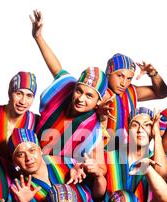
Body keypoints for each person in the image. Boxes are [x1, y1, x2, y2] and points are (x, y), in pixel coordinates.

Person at [30, 10, 108, 162]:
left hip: (61, 173)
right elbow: (56, 68)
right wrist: (38, 36)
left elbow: (98, 167)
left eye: (89, 96)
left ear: (98, 101)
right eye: (79, 91)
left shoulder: (93, 129)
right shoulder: (65, 89)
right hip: (32, 154)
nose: (81, 98)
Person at [7, 128, 105, 202]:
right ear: (14, 161)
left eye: (32, 150)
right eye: (20, 154)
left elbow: (98, 195)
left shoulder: (65, 162)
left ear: (40, 151)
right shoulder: (18, 189)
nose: (28, 158)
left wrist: (98, 175)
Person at [103, 107, 167, 202]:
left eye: (147, 125)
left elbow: (163, 177)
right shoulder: (110, 156)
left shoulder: (156, 158)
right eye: (135, 125)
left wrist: (157, 135)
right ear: (128, 129)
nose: (140, 130)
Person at [101, 53, 167, 150]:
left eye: (129, 78)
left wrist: (153, 74)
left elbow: (162, 93)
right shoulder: (99, 92)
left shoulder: (131, 91)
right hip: (103, 152)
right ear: (108, 72)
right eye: (120, 76)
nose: (123, 83)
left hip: (128, 152)